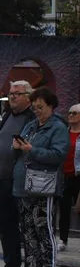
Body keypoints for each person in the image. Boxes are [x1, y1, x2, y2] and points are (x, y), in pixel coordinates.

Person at [11, 87, 69, 267]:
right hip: (24, 184)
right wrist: (17, 146)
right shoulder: (31, 125)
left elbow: (58, 154)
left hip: (45, 185)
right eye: (35, 107)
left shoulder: (58, 127)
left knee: (44, 228)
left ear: (51, 106)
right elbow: (20, 150)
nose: (37, 111)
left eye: (41, 107)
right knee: (28, 230)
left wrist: (31, 150)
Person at [0, 81, 35, 267]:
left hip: (23, 180)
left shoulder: (32, 118)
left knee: (26, 225)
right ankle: (11, 264)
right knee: (5, 223)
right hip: (3, 178)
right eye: (11, 94)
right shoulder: (7, 116)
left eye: (17, 94)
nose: (13, 97)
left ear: (29, 96)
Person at [58, 103, 80, 253]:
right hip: (64, 175)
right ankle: (63, 239)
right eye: (70, 113)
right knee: (63, 208)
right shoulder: (64, 133)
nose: (70, 115)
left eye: (74, 113)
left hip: (78, 175)